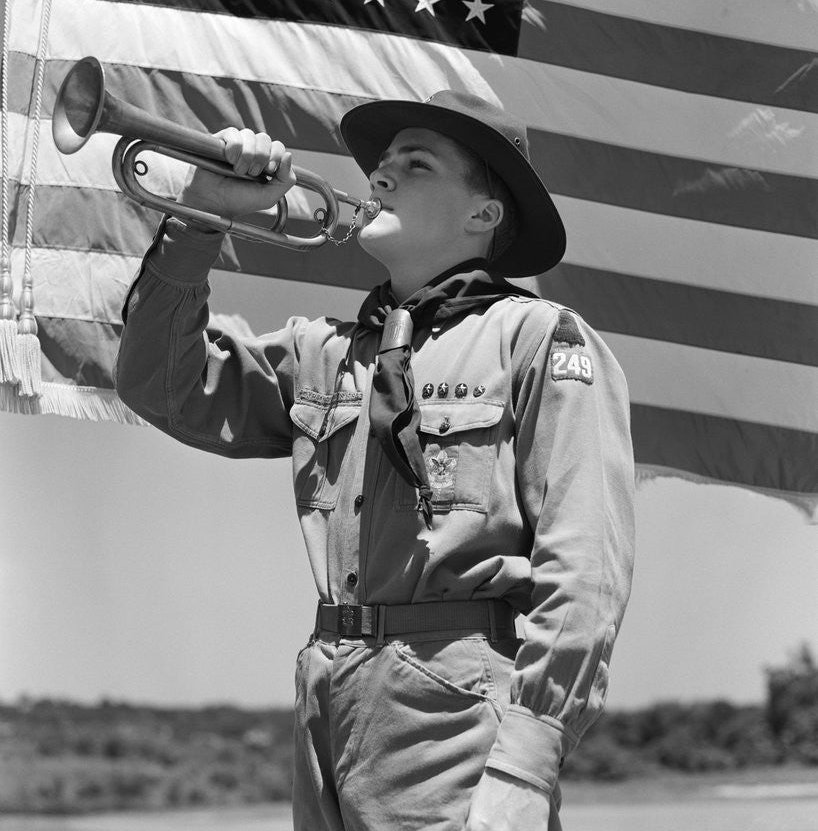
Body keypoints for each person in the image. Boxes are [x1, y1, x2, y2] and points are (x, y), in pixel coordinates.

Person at [115, 90, 636, 831]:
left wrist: (528, 759)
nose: (380, 177)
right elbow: (160, 385)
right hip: (327, 696)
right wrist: (202, 214)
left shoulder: (536, 339)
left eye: (415, 164)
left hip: (454, 709)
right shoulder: (323, 352)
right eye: (382, 165)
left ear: (483, 214)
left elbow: (585, 566)